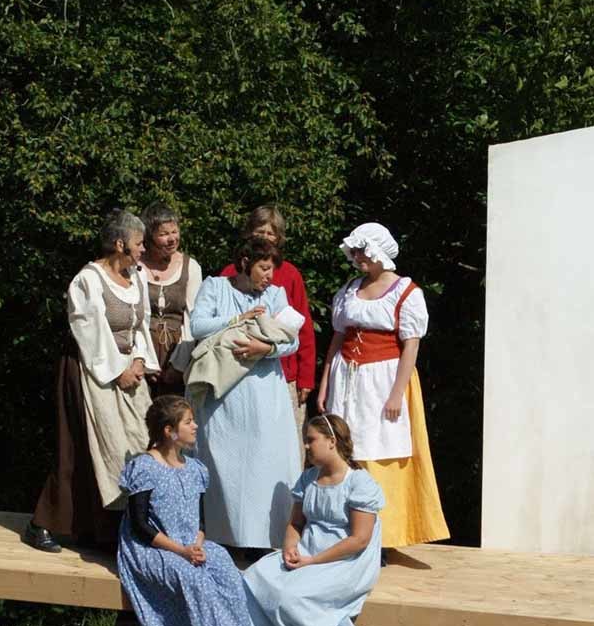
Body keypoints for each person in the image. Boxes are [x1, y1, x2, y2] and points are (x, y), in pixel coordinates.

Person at [117, 395, 260, 626]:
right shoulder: (145, 468)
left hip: (189, 545)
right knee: (195, 586)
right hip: (153, 548)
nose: (195, 426)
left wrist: (196, 544)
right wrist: (180, 551)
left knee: (228, 575)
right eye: (188, 422)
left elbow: (200, 521)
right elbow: (139, 526)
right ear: (169, 431)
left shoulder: (195, 469)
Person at [25, 210, 160, 553]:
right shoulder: (88, 280)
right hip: (91, 369)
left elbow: (140, 326)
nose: (143, 249)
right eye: (139, 243)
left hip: (129, 370)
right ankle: (43, 523)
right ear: (120, 244)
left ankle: (106, 532)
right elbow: (89, 331)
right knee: (80, 447)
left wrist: (139, 359)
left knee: (133, 444)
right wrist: (117, 371)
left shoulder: (137, 277)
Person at [316, 222, 449, 549]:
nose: (357, 256)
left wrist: (396, 394)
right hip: (346, 378)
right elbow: (338, 338)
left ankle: (381, 538)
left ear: (378, 251)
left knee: (380, 450)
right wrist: (325, 383)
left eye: (363, 250)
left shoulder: (406, 292)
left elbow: (411, 346)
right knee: (346, 449)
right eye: (355, 251)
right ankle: (344, 533)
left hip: (383, 379)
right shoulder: (349, 289)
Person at [243, 414, 384, 626]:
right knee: (251, 580)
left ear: (331, 441)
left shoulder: (359, 483)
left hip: (344, 560)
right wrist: (290, 547)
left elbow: (359, 540)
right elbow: (296, 523)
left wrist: (313, 561)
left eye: (311, 440)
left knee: (291, 597)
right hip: (307, 551)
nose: (306, 446)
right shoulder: (309, 478)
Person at [189, 237, 302, 550]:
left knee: (265, 462)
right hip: (225, 394)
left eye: (272, 269)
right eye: (263, 268)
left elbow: (293, 340)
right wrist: (236, 320)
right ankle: (223, 538)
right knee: (226, 463)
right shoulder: (215, 287)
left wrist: (265, 349)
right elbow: (197, 326)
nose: (269, 275)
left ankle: (265, 540)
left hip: (265, 392)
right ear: (244, 263)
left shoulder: (276, 294)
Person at [220, 205, 316, 448]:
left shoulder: (290, 274)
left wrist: (305, 378)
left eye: (270, 233)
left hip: (284, 373)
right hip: (238, 370)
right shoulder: (230, 273)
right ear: (249, 233)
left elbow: (303, 329)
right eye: (259, 231)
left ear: (278, 238)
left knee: (286, 442)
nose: (264, 237)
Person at [139, 202, 202, 396]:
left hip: (179, 352)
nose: (172, 239)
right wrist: (145, 361)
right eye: (164, 234)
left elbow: (192, 319)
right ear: (149, 236)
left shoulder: (191, 267)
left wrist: (179, 365)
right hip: (141, 354)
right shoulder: (136, 266)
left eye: (175, 231)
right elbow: (135, 317)